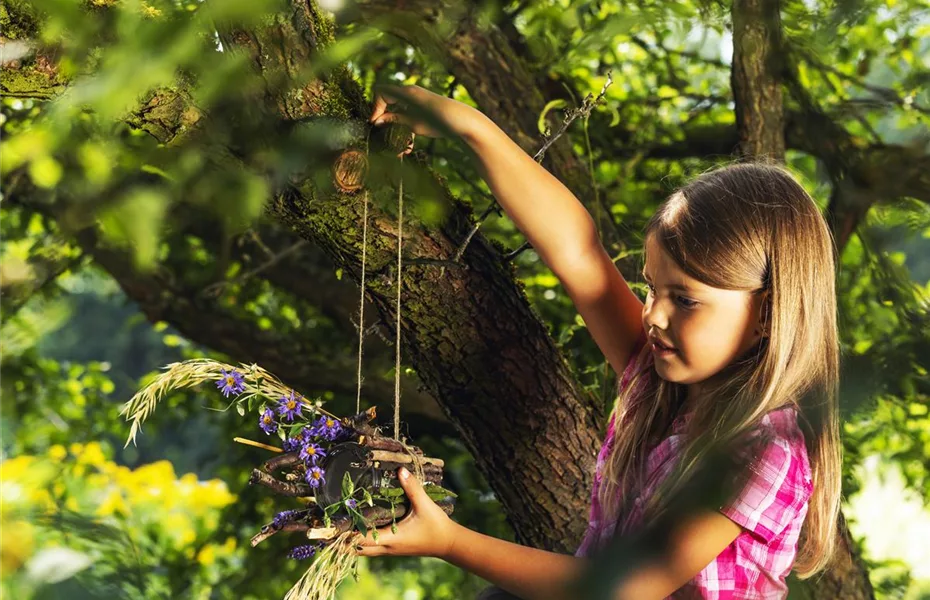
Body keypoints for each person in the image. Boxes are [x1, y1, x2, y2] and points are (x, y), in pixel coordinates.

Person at [357, 84, 842, 600]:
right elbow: (578, 251)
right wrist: (469, 125)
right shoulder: (664, 382)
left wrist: (449, 542)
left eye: (686, 299)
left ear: (767, 313)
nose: (652, 314)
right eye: (653, 288)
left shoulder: (763, 449)